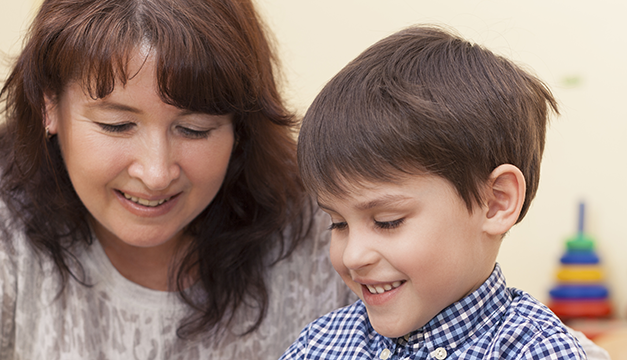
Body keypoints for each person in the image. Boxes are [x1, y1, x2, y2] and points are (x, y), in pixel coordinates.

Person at [0, 0, 352, 358]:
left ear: (240, 127)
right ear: (48, 105)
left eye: (194, 130)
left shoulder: (330, 226)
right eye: (117, 126)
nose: (156, 174)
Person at [281, 25, 588, 359]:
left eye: (387, 221)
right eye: (338, 223)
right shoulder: (321, 343)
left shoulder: (536, 350)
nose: (352, 256)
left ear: (496, 202)